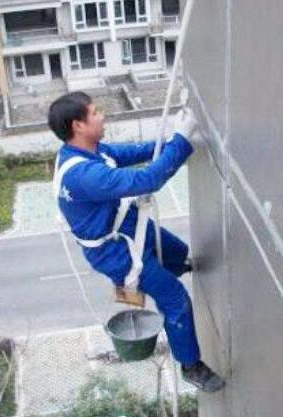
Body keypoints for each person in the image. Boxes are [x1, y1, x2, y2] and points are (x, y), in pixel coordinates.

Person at [48, 91, 225, 392]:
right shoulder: (85, 174)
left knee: (176, 252)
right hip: (117, 253)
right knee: (176, 300)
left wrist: (173, 139)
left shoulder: (85, 152)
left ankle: (171, 270)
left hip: (124, 226)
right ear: (78, 125)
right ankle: (191, 366)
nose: (102, 116)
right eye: (95, 113)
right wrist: (181, 141)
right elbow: (148, 181)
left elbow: (134, 152)